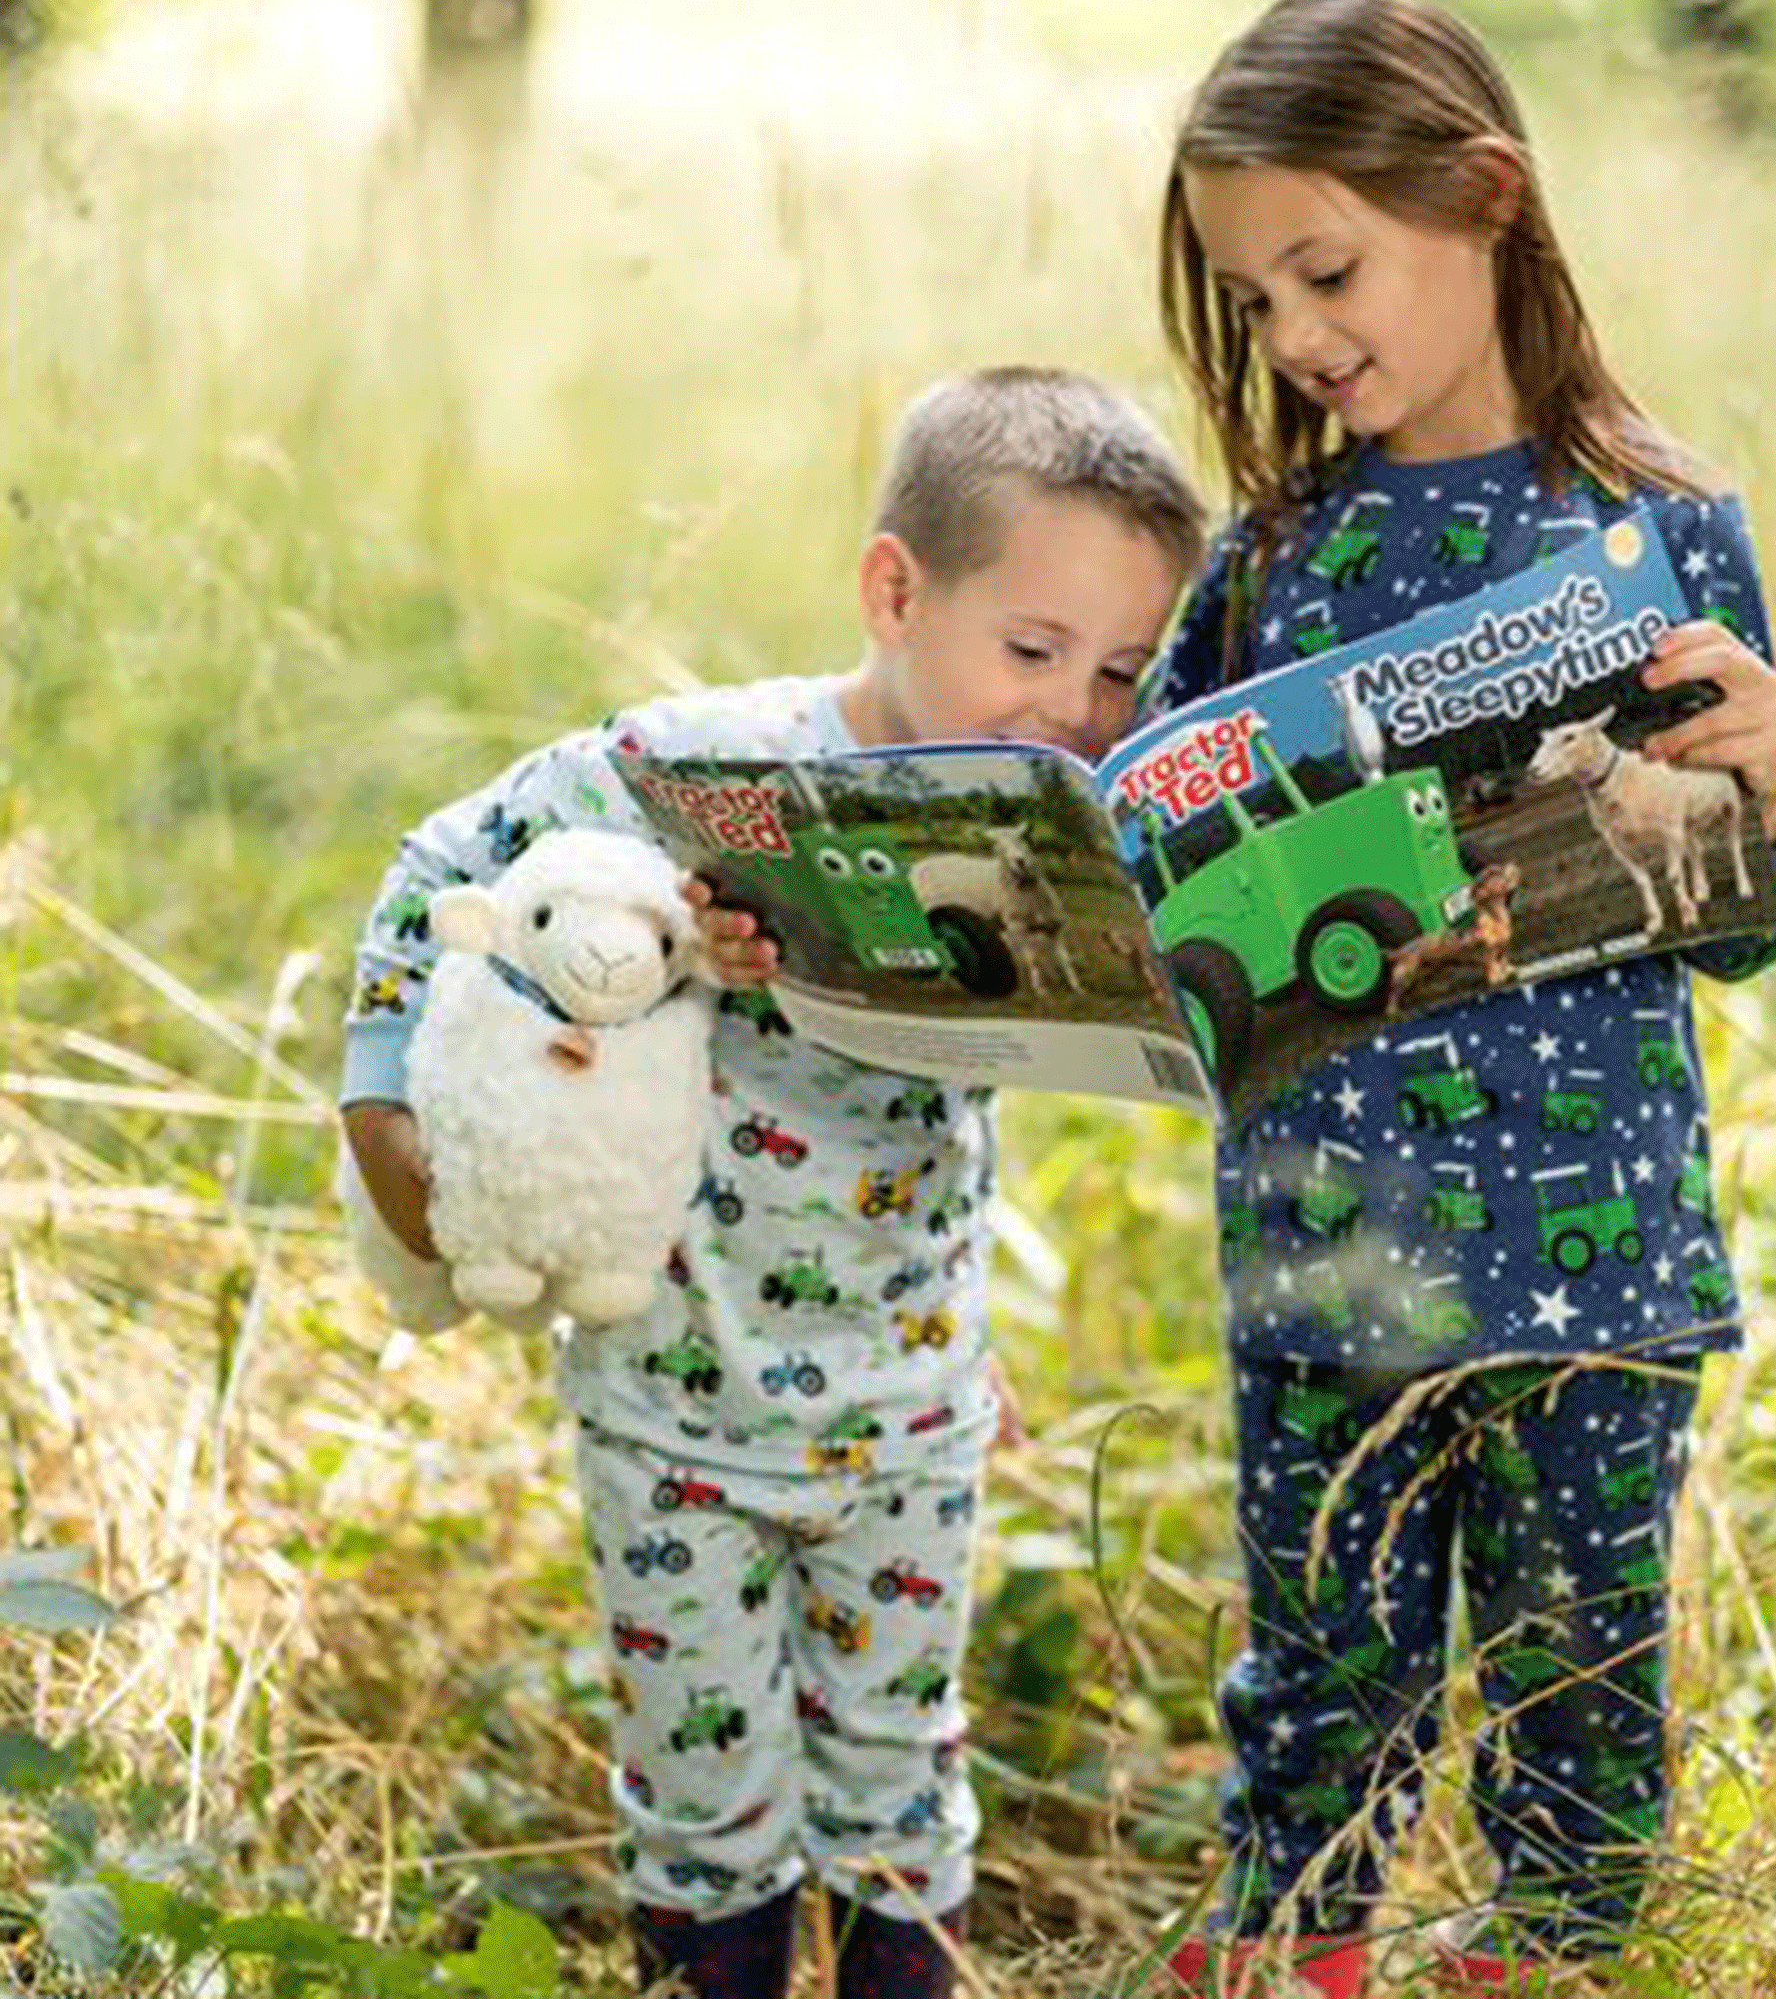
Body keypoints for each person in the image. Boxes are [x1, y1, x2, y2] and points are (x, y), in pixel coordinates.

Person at [340, 367, 1205, 1999]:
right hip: (673, 1412)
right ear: (896, 590)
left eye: (1116, 673)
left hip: (910, 1421)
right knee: (702, 1807)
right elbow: (438, 870)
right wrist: (388, 1109)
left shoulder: (1042, 825)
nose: (1072, 713)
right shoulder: (699, 767)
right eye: (1033, 651)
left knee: (900, 1790)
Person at [1143, 0, 1776, 1998]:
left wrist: (1762, 800)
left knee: (1581, 1682)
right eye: (1251, 298)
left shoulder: (1658, 525)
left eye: (1324, 269)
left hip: (1587, 1262)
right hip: (1326, 1250)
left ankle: (1556, 1964)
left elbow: (1745, 917)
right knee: (1324, 1676)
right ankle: (1294, 1955)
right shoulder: (1270, 560)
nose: (1293, 337)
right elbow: (1154, 853)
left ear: (1488, 196)